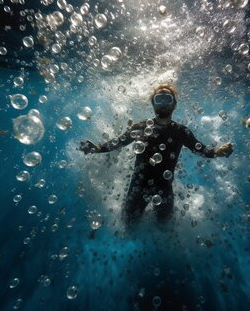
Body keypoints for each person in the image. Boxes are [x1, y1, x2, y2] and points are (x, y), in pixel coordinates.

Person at [79, 84, 233, 229]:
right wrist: (97, 148)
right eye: (159, 99)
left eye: (168, 99)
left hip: (164, 188)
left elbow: (200, 149)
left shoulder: (181, 132)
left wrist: (217, 152)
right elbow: (118, 142)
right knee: (128, 227)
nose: (163, 103)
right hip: (138, 187)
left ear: (174, 104)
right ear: (153, 104)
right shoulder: (140, 127)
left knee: (164, 230)